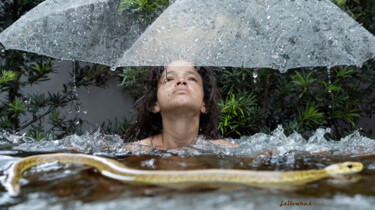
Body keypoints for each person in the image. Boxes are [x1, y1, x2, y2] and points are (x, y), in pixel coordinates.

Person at [124, 60, 237, 151]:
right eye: (169, 79)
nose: (181, 81)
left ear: (205, 104)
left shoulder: (226, 151)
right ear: (155, 104)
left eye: (191, 78)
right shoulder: (132, 152)